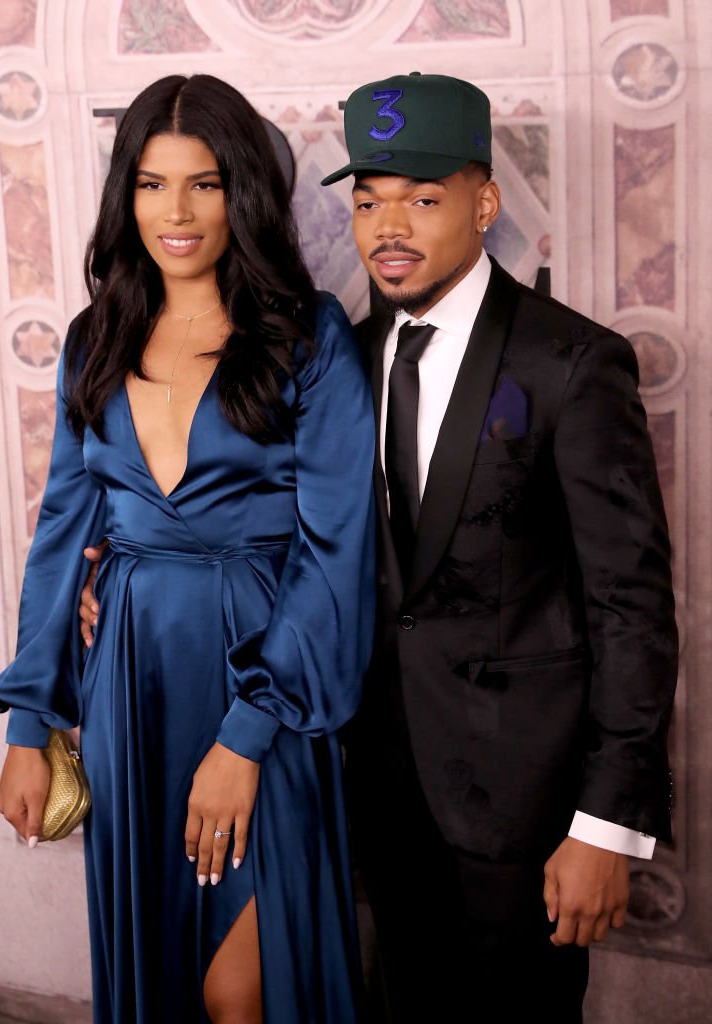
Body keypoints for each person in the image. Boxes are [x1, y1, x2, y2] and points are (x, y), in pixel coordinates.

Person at [77, 72, 679, 1023]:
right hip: (374, 792)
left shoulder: (571, 361)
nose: (388, 228)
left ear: (485, 202)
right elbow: (290, 534)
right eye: (367, 202)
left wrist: (607, 824)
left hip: (523, 813)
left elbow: (631, 607)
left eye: (423, 199)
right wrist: (117, 565)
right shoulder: (333, 354)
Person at [0, 73, 376, 1024]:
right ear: (127, 196)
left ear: (243, 192)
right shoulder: (96, 336)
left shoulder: (306, 335)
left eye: (204, 184)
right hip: (128, 687)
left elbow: (336, 551)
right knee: (159, 975)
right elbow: (60, 535)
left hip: (263, 678)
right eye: (153, 185)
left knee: (245, 992)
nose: (178, 212)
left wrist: (246, 736)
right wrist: (29, 727)